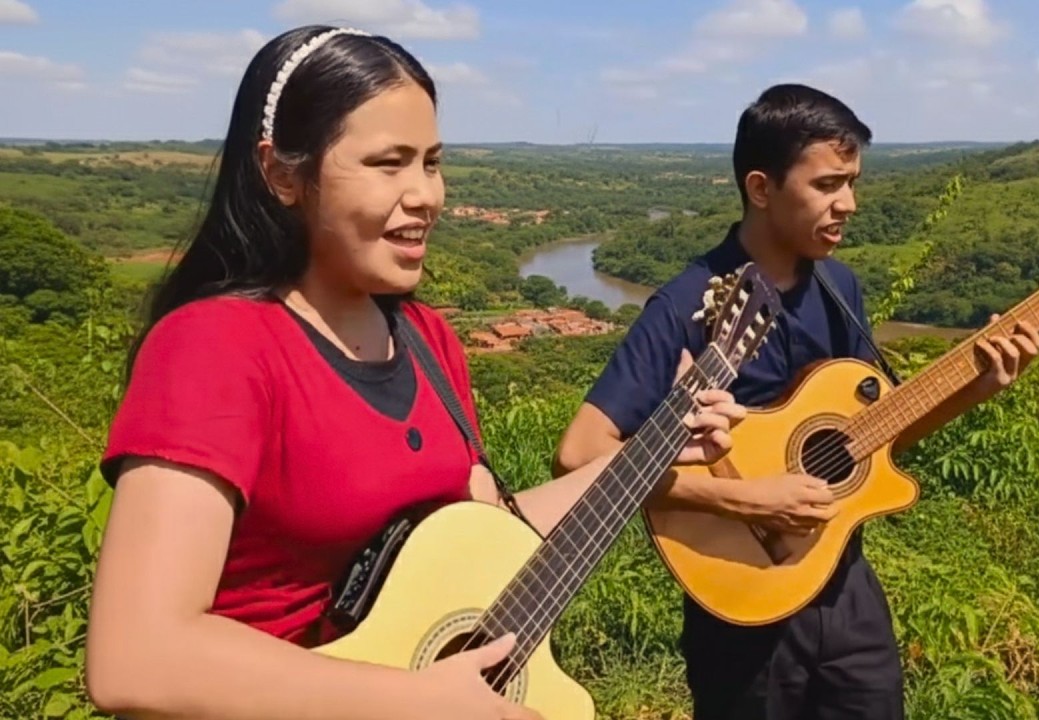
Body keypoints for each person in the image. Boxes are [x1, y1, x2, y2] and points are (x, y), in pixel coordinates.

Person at [84, 25, 748, 720]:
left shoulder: (426, 339)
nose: (426, 194)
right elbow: (137, 657)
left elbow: (495, 532)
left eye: (431, 162)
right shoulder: (216, 347)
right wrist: (414, 701)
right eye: (388, 163)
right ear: (283, 174)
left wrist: (658, 450)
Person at [552, 83, 1039, 719]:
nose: (850, 204)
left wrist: (977, 386)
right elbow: (579, 454)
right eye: (828, 185)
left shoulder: (839, 288)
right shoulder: (684, 305)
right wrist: (739, 496)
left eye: (852, 182)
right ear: (762, 189)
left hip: (844, 588)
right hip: (741, 601)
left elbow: (868, 444)